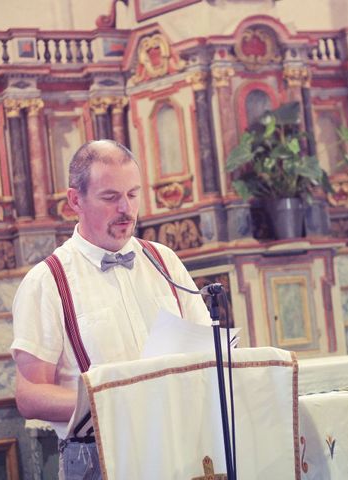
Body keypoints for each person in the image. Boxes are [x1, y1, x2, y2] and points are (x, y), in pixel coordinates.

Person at [11, 139, 211, 479]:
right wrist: (111, 401)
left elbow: (206, 347)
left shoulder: (165, 262)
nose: (126, 209)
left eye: (133, 194)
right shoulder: (47, 281)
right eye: (110, 197)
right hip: (98, 458)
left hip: (182, 447)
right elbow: (29, 395)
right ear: (76, 199)